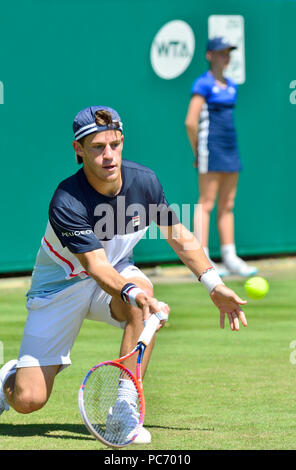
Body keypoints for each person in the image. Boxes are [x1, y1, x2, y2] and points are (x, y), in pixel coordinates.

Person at [0, 105, 248, 445]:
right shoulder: (66, 200)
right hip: (60, 288)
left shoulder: (144, 182)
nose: (109, 156)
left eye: (115, 145)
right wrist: (133, 292)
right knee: (28, 400)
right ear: (79, 150)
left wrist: (213, 284)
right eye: (98, 148)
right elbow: (96, 267)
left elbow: (178, 236)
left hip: (115, 276)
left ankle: (123, 410)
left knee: (143, 305)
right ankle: (6, 381)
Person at [185, 37, 258, 277]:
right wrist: (198, 150)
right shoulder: (203, 84)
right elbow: (190, 122)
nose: (225, 57)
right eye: (220, 53)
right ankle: (202, 257)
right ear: (209, 55)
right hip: (210, 148)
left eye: (228, 53)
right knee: (206, 203)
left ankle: (229, 256)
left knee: (228, 204)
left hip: (230, 147)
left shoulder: (232, 85)